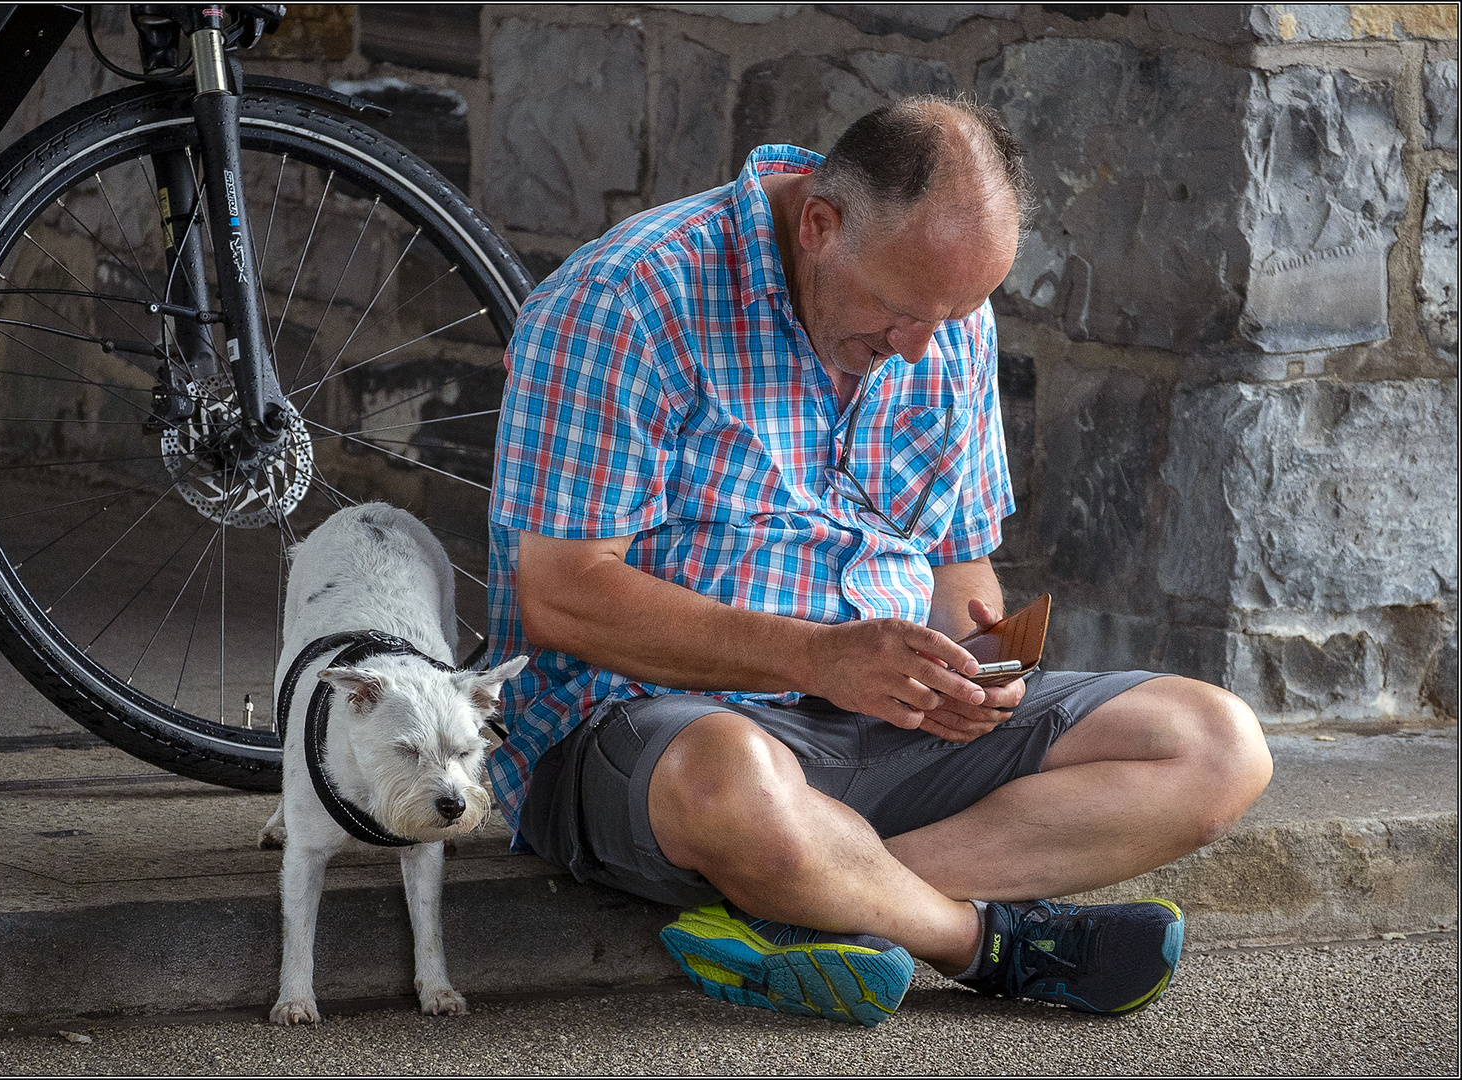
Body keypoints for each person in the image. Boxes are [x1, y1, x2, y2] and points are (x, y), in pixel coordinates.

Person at [483, 96, 1273, 1026]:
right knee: (733, 777)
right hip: (660, 733)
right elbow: (563, 600)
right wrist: (816, 658)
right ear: (820, 226)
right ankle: (987, 943)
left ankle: (817, 903)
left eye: (956, 316)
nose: (920, 349)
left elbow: (958, 570)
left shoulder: (938, 315)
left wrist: (974, 669)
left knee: (1216, 744)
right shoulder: (626, 298)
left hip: (882, 727)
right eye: (900, 314)